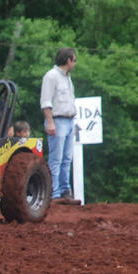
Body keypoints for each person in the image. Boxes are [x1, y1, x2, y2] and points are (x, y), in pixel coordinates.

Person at [41, 47, 77, 200]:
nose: (75, 64)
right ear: (68, 60)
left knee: (67, 158)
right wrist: (50, 122)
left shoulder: (67, 77)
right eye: (74, 60)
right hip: (58, 120)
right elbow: (46, 101)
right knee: (56, 158)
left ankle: (64, 189)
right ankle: (54, 192)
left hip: (69, 120)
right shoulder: (51, 76)